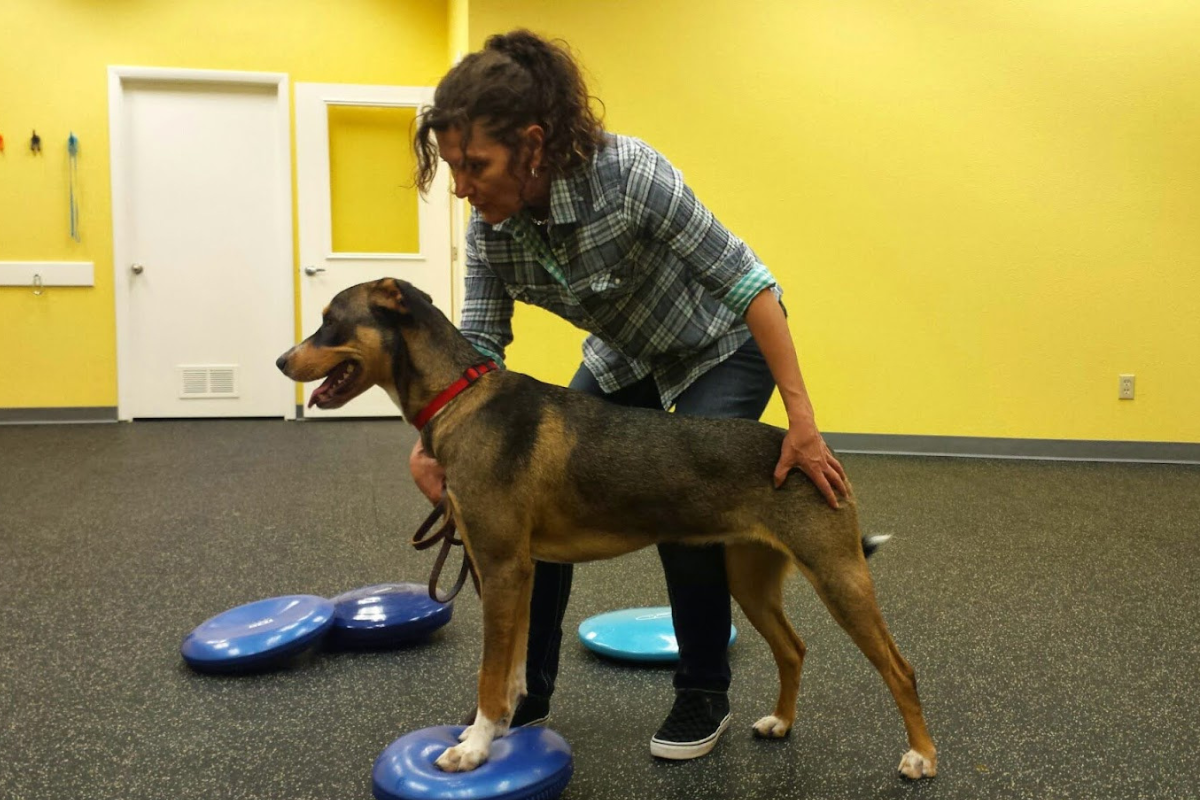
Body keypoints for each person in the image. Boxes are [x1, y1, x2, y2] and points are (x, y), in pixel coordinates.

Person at [409, 29, 847, 760]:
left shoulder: (631, 175)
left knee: (684, 501)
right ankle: (523, 694)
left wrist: (803, 421)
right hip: (624, 358)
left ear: (534, 145)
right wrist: (440, 448)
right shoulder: (491, 231)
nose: (460, 185)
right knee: (520, 499)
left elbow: (750, 284)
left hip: (718, 348)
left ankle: (702, 691)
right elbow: (479, 350)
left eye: (475, 165)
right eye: (453, 166)